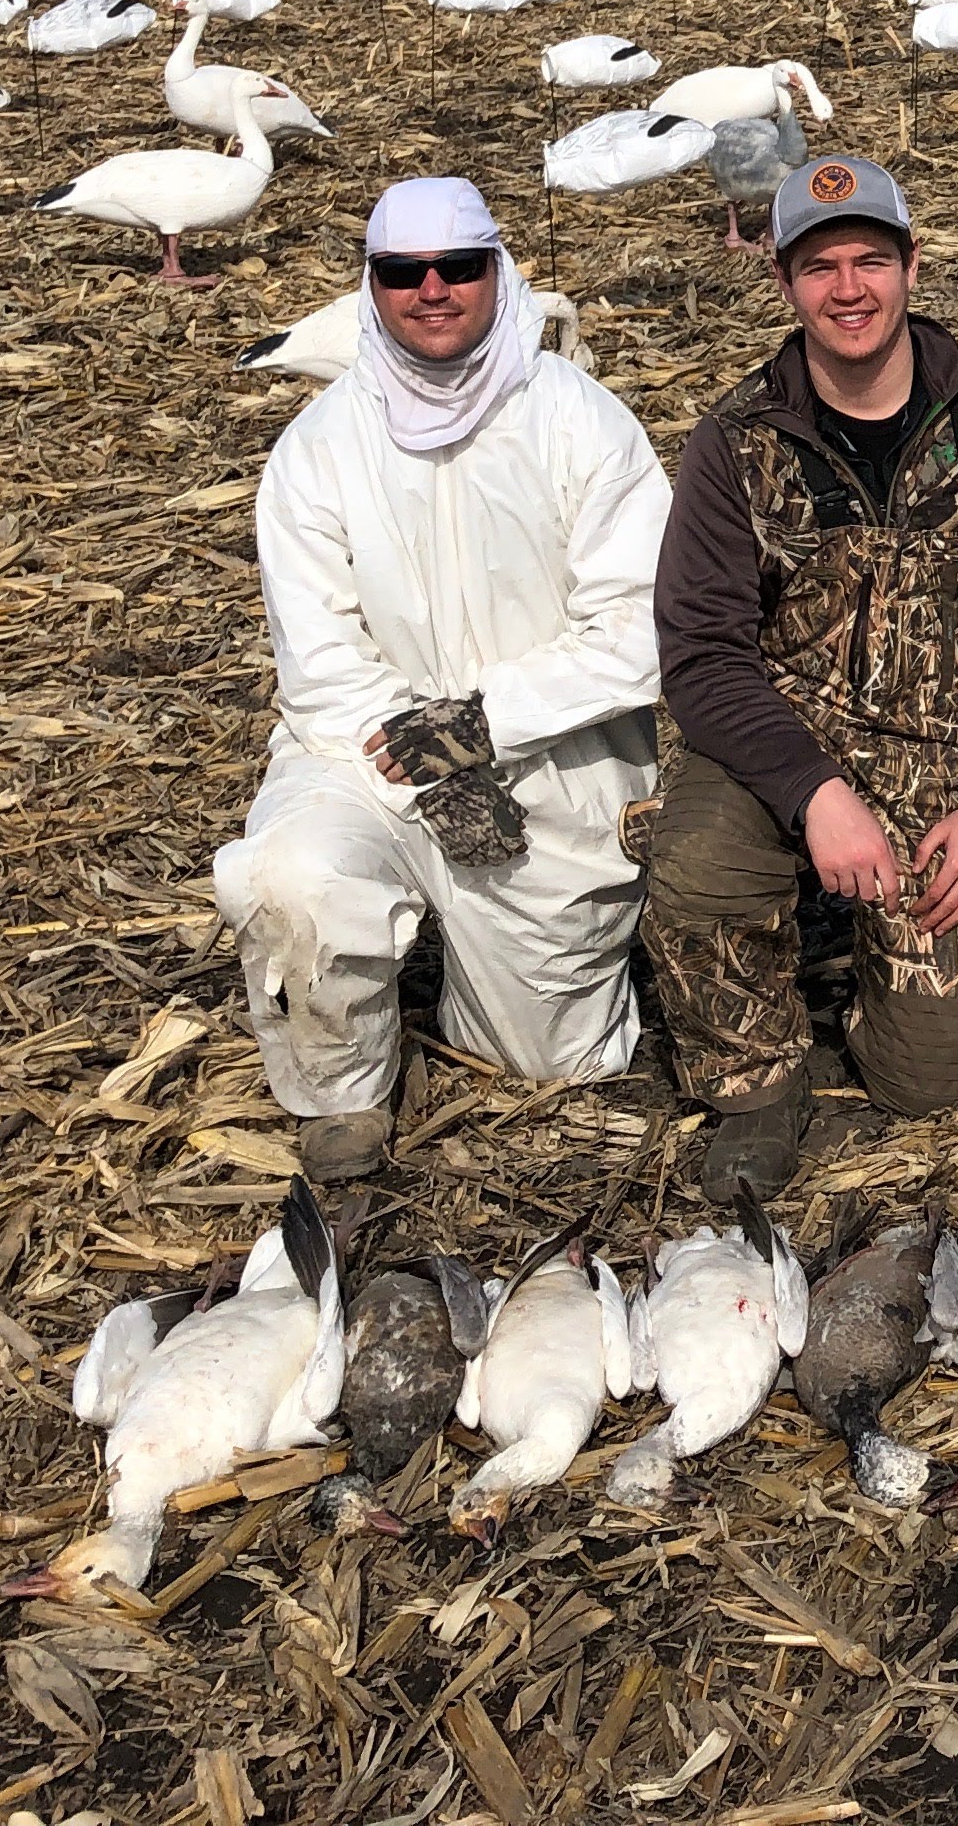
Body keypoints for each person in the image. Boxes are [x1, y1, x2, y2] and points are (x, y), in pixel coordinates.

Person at [645, 155, 958, 1198]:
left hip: (954, 763)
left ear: (911, 265)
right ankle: (760, 1084)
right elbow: (704, 653)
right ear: (783, 282)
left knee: (933, 1082)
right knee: (699, 875)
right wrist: (813, 792)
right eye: (818, 268)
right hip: (789, 743)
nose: (846, 290)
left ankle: (874, 977)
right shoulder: (738, 442)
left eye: (869, 261)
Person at [215, 177, 672, 1181]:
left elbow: (642, 626)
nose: (433, 289)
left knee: (554, 1067)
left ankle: (502, 979)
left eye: (458, 267)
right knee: (288, 876)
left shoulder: (582, 424)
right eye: (403, 272)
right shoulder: (317, 450)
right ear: (370, 287)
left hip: (551, 761)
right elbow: (320, 659)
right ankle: (342, 1093)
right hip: (366, 754)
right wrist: (423, 751)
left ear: (497, 274)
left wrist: (481, 725)